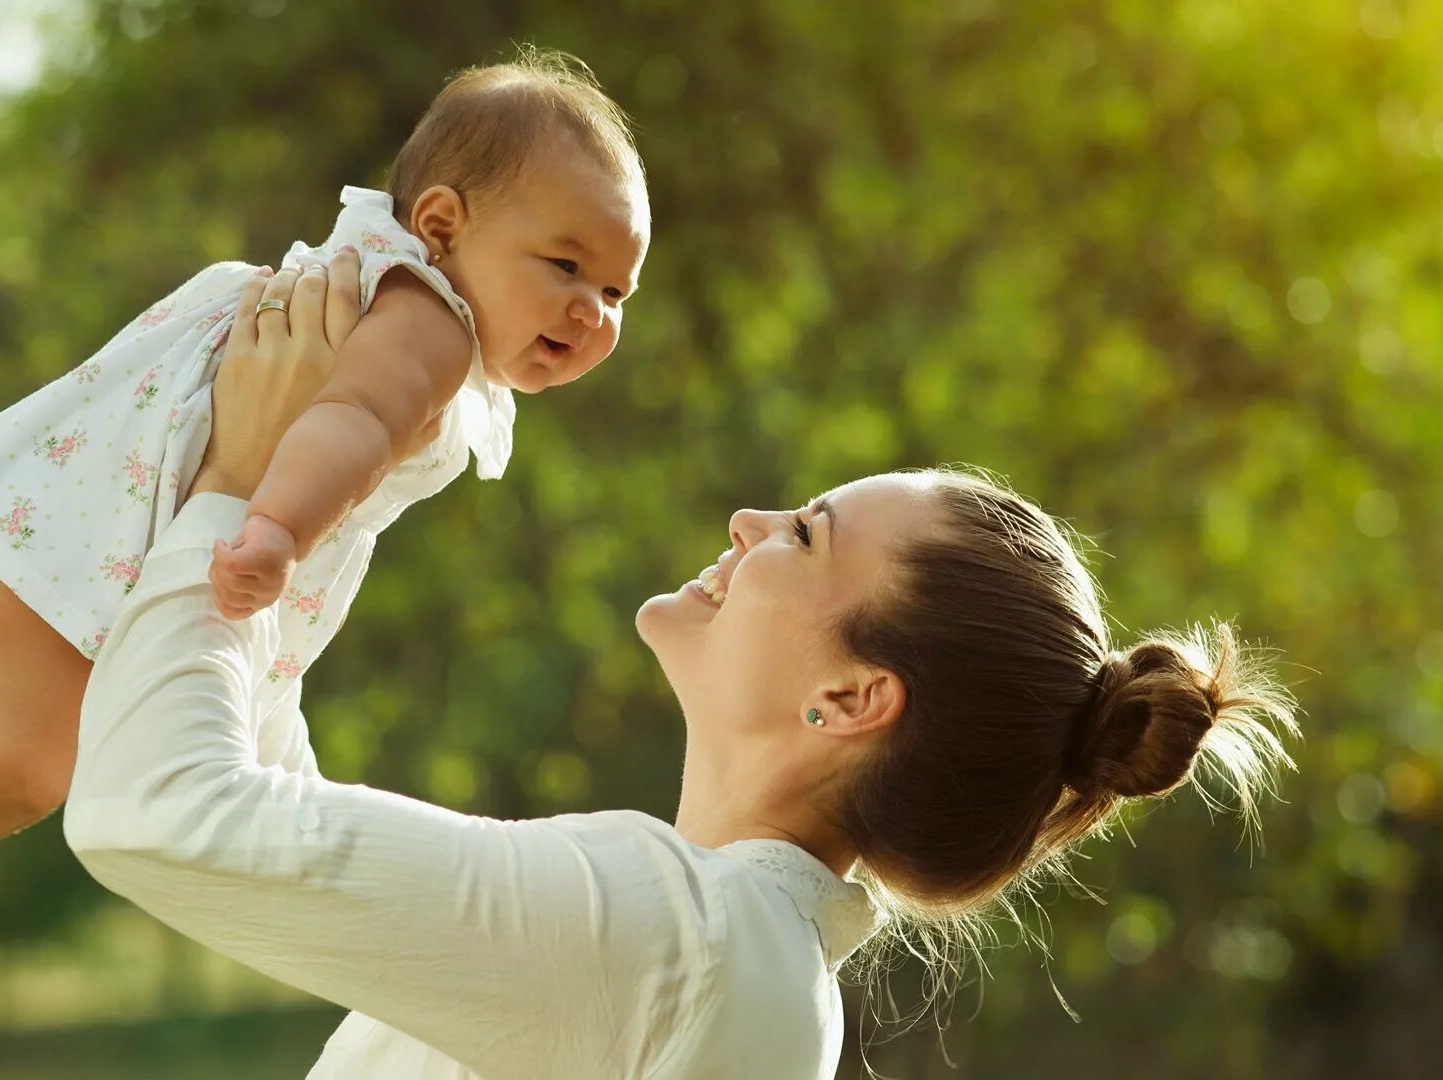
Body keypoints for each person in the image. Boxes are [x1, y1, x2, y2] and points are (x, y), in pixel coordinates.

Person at [63, 263, 1299, 1078]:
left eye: (806, 535)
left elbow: (159, 811)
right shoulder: (718, 948)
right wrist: (331, 486)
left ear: (853, 700)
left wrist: (239, 484)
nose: (752, 523)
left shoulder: (682, 937)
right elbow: (271, 809)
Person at [0, 49, 650, 1030]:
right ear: (440, 224)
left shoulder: (400, 299)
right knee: (14, 761)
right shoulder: (429, 323)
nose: (591, 311)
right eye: (565, 265)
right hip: (46, 555)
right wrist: (275, 530)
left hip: (50, 548)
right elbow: (350, 424)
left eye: (617, 292)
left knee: (26, 772)